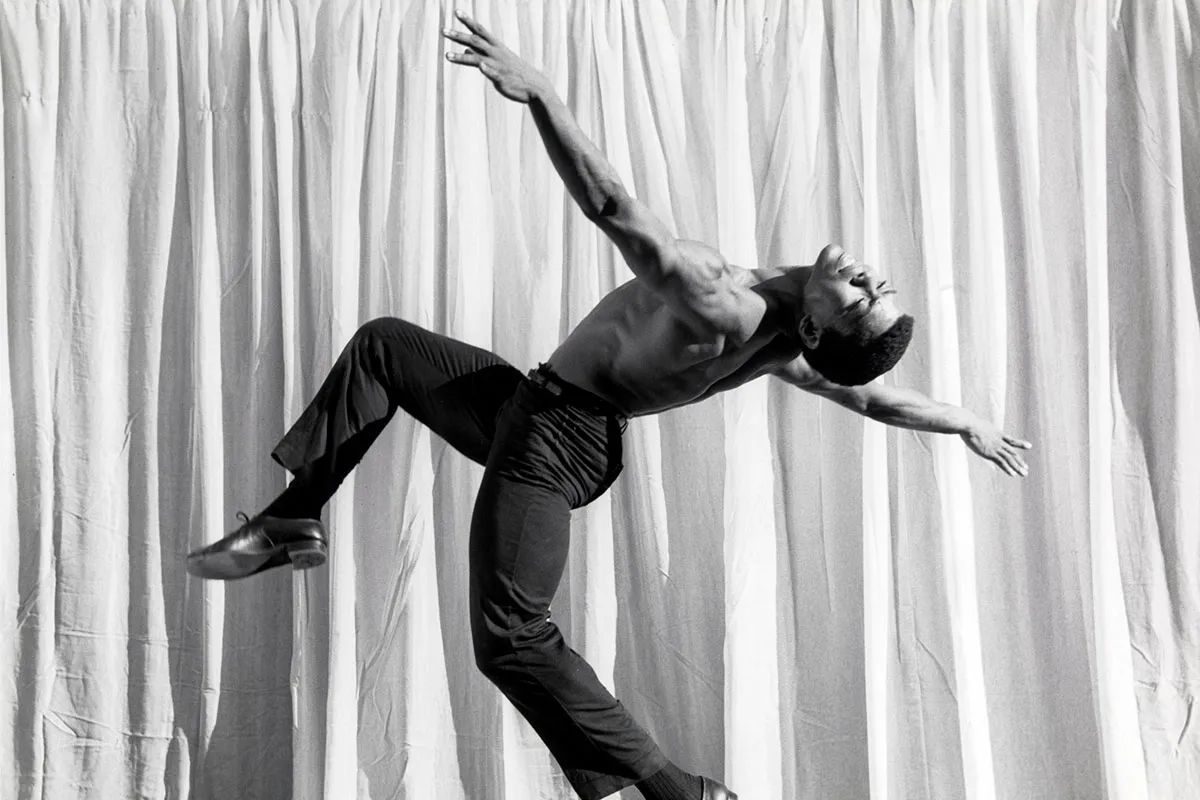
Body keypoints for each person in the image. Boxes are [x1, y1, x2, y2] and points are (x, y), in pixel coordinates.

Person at [187, 13, 1032, 800]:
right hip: (536, 408)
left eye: (862, 300)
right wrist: (965, 420)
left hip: (557, 438)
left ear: (817, 322)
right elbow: (875, 400)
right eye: (877, 288)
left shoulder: (724, 303)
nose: (870, 279)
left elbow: (615, 209)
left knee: (510, 636)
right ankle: (292, 521)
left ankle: (675, 789)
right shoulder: (786, 340)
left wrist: (543, 94)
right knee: (384, 347)